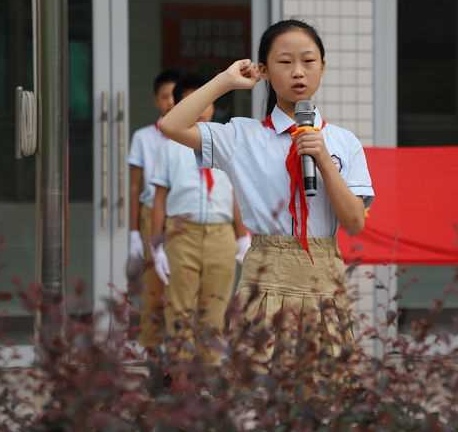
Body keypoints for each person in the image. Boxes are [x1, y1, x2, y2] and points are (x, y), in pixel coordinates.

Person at [158, 19, 374, 363]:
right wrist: (225, 81)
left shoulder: (342, 142)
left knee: (324, 395)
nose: (298, 72)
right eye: (285, 62)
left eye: (309, 61)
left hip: (324, 281)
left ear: (323, 67)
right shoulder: (242, 136)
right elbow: (171, 125)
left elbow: (354, 223)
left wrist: (323, 160)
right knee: (260, 392)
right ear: (265, 71)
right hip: (266, 278)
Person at [149, 75, 250, 363]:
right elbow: (159, 197)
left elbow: (235, 193)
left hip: (221, 234)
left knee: (215, 307)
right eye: (192, 102)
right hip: (183, 232)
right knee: (181, 308)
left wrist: (242, 236)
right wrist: (156, 244)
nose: (201, 108)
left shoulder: (227, 143)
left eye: (207, 101)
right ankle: (181, 378)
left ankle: (210, 377)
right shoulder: (169, 146)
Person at [127, 69, 180, 352]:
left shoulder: (193, 136)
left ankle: (179, 356)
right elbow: (135, 187)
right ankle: (152, 355)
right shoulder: (143, 138)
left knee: (181, 287)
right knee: (154, 288)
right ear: (156, 101)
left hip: (183, 217)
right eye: (164, 96)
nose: (171, 102)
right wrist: (134, 231)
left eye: (175, 96)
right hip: (152, 215)